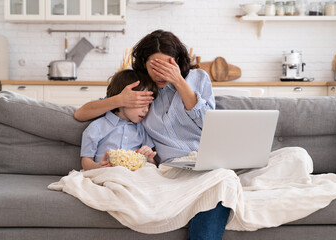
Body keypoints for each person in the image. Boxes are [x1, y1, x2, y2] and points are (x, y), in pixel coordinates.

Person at [75, 30, 230, 240]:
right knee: (218, 182)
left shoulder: (198, 78)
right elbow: (81, 113)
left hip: (206, 159)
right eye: (154, 66)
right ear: (143, 65)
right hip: (172, 168)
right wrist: (120, 100)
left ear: (177, 62)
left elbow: (211, 125)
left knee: (222, 178)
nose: (161, 73)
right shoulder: (141, 88)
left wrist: (179, 82)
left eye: (167, 65)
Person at [80, 69, 158, 171]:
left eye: (148, 105)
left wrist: (150, 159)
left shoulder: (142, 129)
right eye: (141, 104)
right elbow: (86, 160)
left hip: (133, 176)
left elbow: (151, 163)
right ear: (124, 98)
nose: (146, 110)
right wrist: (97, 167)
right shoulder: (97, 127)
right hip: (105, 173)